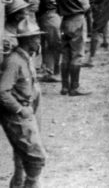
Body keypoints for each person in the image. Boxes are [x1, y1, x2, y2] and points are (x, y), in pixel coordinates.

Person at [0, 20, 47, 188]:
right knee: (36, 158)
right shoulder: (14, 61)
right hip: (17, 115)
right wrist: (20, 109)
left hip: (27, 110)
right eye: (36, 39)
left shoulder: (25, 58)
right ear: (28, 41)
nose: (39, 42)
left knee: (24, 156)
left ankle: (20, 184)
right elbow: (2, 92)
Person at [55, 0, 92, 96]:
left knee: (65, 54)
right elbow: (86, 6)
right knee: (77, 54)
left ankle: (64, 86)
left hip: (64, 21)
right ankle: (74, 87)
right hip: (77, 20)